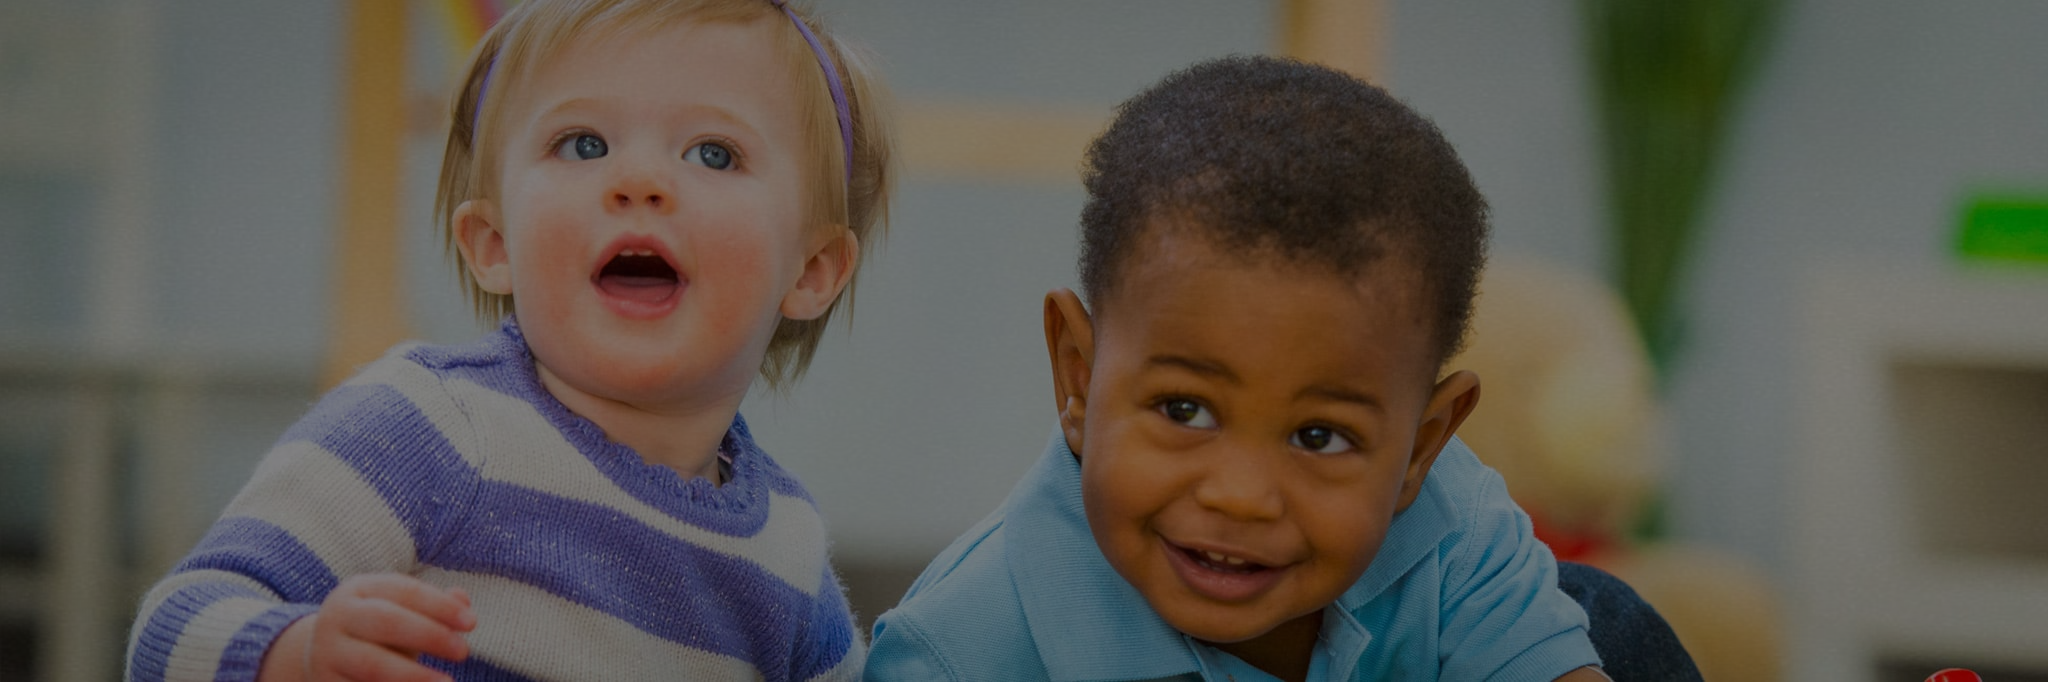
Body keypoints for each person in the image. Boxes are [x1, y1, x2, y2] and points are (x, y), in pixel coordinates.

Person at [126, 0, 891, 679]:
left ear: (813, 269)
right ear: (493, 242)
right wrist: (292, 655)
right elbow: (174, 627)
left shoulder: (786, 557)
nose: (639, 181)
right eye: (583, 144)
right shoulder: (425, 429)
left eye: (713, 153)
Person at [865, 55, 1606, 681]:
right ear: (1079, 377)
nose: (1243, 497)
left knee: (1614, 618)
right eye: (1184, 410)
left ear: (1421, 445)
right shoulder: (963, 650)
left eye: (1320, 436)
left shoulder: (1450, 527)